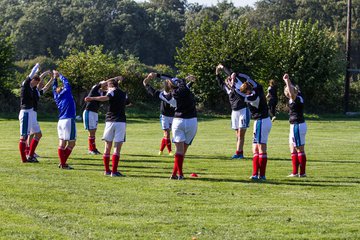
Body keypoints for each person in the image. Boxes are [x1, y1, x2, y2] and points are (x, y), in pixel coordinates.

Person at [147, 73, 197, 180]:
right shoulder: (185, 90)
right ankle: (178, 174)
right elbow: (183, 83)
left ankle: (177, 174)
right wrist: (184, 80)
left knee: (179, 151)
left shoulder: (169, 96)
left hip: (178, 121)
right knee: (183, 151)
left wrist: (146, 85)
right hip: (192, 121)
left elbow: (155, 93)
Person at [84, 77, 130, 177]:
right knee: (117, 149)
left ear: (110, 86)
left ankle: (107, 170)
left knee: (107, 147)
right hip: (120, 122)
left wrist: (92, 98)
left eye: (107, 86)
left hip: (110, 121)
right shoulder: (123, 93)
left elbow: (105, 98)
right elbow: (128, 102)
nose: (106, 88)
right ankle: (114, 172)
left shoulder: (111, 91)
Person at [237, 72, 272, 180]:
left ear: (248, 91)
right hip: (261, 121)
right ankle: (255, 174)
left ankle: (262, 175)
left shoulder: (253, 97)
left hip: (262, 121)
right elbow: (249, 79)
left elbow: (241, 96)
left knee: (261, 148)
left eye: (246, 92)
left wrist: (232, 86)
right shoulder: (258, 88)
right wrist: (237, 75)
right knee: (255, 148)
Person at [215, 64, 250, 159]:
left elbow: (231, 73)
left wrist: (222, 67)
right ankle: (239, 153)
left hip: (243, 110)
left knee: (241, 133)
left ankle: (239, 153)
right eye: (227, 81)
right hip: (234, 112)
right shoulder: (227, 89)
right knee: (237, 134)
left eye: (229, 80)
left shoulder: (239, 86)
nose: (228, 81)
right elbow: (219, 82)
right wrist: (217, 72)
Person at [143, 73, 175, 156]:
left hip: (172, 116)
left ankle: (161, 150)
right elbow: (145, 83)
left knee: (166, 135)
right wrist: (149, 77)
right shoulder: (161, 94)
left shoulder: (175, 94)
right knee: (167, 134)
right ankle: (170, 151)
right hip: (164, 116)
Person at [18, 63, 44, 163]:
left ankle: (30, 155)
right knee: (24, 137)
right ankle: (24, 159)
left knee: (38, 134)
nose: (36, 83)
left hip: (31, 113)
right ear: (31, 80)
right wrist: (37, 65)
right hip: (25, 113)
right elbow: (31, 73)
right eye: (35, 80)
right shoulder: (25, 84)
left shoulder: (32, 88)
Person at [283, 74, 307, 177]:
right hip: (294, 126)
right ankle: (294, 172)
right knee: (292, 148)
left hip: (298, 125)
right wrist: (286, 82)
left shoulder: (295, 98)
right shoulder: (298, 95)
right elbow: (293, 90)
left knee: (299, 149)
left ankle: (302, 173)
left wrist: (287, 81)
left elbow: (292, 92)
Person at [25, 70, 53, 159]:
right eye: (40, 83)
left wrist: (52, 79)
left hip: (34, 113)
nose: (41, 85)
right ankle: (29, 151)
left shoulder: (38, 92)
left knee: (33, 133)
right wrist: (46, 73)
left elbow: (46, 87)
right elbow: (39, 78)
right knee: (31, 133)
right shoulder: (32, 89)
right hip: (29, 112)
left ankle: (30, 151)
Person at [52, 70, 77, 169]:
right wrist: (59, 75)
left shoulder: (56, 96)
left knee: (62, 143)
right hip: (68, 120)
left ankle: (63, 163)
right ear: (62, 89)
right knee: (72, 143)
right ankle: (63, 163)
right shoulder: (66, 92)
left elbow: (54, 87)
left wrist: (54, 78)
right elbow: (66, 82)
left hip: (61, 121)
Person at [83, 79, 112, 155]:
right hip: (89, 111)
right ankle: (92, 149)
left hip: (94, 113)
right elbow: (103, 83)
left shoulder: (102, 92)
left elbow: (111, 91)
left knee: (94, 131)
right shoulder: (95, 88)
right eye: (105, 85)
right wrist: (114, 79)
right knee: (91, 132)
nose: (106, 86)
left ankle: (93, 149)